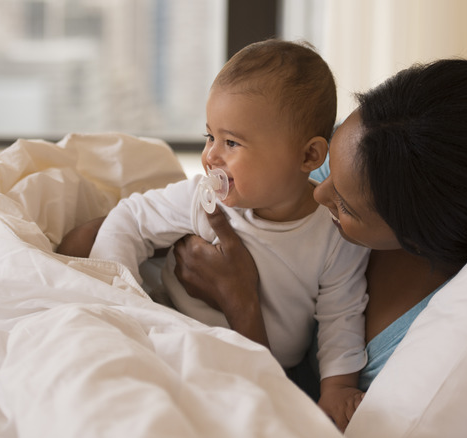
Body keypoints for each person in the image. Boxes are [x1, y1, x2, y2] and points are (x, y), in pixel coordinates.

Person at [169, 58, 467, 431]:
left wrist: (241, 304)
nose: (318, 192)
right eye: (328, 165)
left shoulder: (422, 347)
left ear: (413, 239)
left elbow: (290, 424)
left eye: (344, 205)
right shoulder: (359, 153)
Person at [59, 39, 370, 425]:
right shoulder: (204, 198)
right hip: (171, 327)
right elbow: (130, 219)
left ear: (308, 156)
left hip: (256, 362)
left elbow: (341, 316)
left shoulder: (333, 234)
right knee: (87, 237)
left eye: (231, 142)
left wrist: (337, 388)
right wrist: (124, 304)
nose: (210, 156)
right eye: (210, 137)